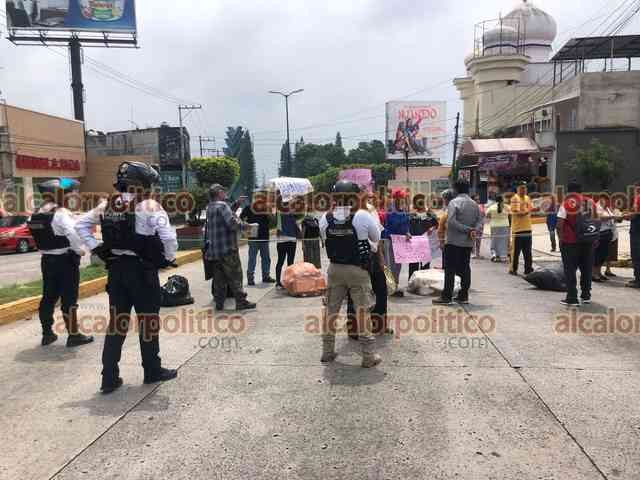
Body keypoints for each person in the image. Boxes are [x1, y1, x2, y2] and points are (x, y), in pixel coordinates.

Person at [75, 162, 179, 394]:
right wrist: (168, 258)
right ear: (142, 183)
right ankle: (152, 370)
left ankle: (109, 377)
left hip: (116, 271)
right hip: (142, 272)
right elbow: (169, 238)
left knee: (117, 324)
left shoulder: (107, 205)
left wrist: (97, 248)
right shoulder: (150, 206)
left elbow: (80, 224)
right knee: (148, 322)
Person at [320, 180, 382, 368]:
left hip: (334, 270)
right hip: (358, 270)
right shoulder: (362, 216)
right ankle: (368, 356)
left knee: (331, 311)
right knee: (363, 312)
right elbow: (376, 238)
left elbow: (325, 239)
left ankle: (327, 352)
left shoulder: (325, 218)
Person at [27, 178, 94, 348]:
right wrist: (79, 250)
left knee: (48, 297)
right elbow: (73, 233)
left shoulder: (35, 214)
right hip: (65, 261)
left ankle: (47, 334)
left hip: (47, 261)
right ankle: (74, 335)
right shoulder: (60, 213)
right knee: (69, 299)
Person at [204, 184, 257, 311]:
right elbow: (232, 223)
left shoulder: (210, 207)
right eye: (223, 191)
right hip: (228, 249)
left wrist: (236, 204)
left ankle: (219, 303)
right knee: (235, 276)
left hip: (215, 251)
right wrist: (245, 226)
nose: (225, 193)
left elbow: (225, 215)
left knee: (219, 279)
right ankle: (241, 302)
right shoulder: (223, 206)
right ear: (219, 193)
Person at [347, 194, 391, 339]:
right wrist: (381, 258)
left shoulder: (337, 213)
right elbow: (376, 238)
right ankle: (378, 326)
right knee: (379, 290)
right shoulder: (369, 210)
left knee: (354, 292)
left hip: (351, 257)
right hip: (369, 256)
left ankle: (354, 329)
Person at [433, 180, 482, 305]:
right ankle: (463, 295)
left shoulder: (454, 202)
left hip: (453, 242)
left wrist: (467, 229)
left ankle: (447, 297)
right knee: (465, 268)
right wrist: (473, 230)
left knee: (450, 269)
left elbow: (451, 222)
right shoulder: (474, 204)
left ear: (455, 190)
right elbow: (480, 221)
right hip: (467, 242)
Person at [557, 181, 600, 306]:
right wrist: (595, 238)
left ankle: (572, 298)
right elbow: (597, 221)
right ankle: (586, 295)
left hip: (570, 242)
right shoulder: (591, 202)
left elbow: (559, 224)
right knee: (586, 268)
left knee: (570, 269)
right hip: (589, 241)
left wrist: (561, 239)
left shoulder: (567, 203)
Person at [240, 192, 275, 286]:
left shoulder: (266, 208)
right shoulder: (248, 208)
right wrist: (245, 224)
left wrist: (269, 213)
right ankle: (250, 278)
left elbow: (273, 221)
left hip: (264, 237)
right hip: (253, 237)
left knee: (266, 258)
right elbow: (240, 218)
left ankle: (266, 276)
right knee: (252, 258)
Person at [383, 189, 411, 297]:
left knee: (398, 265)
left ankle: (395, 285)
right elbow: (394, 225)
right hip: (390, 240)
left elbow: (406, 224)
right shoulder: (391, 211)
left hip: (400, 242)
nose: (403, 200)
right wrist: (403, 232)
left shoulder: (403, 210)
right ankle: (390, 287)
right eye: (401, 198)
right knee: (390, 264)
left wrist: (407, 232)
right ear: (396, 199)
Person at [408, 203, 438, 279]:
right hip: (414, 242)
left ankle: (423, 282)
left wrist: (432, 228)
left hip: (426, 243)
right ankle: (412, 282)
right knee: (413, 265)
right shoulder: (412, 215)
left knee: (425, 266)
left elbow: (436, 224)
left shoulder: (430, 215)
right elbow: (407, 225)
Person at [509, 182, 533, 276]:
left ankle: (528, 269)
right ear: (518, 189)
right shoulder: (515, 198)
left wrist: (532, 209)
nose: (524, 190)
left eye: (525, 188)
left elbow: (530, 209)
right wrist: (527, 210)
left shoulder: (527, 198)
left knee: (528, 251)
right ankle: (513, 269)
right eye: (522, 188)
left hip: (527, 228)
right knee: (515, 252)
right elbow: (518, 213)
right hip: (517, 230)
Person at [593, 194, 618, 283]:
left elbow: (612, 219)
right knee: (598, 255)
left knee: (603, 255)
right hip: (601, 233)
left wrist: (617, 217)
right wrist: (612, 217)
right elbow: (600, 217)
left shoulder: (606, 208)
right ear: (601, 199)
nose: (608, 202)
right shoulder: (597, 207)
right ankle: (594, 274)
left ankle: (599, 273)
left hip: (608, 233)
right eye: (606, 200)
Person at [275, 204, 300, 287]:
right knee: (290, 262)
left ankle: (278, 282)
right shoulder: (291, 213)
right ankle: (289, 281)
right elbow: (295, 226)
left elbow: (278, 225)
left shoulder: (279, 213)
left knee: (280, 261)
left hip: (282, 240)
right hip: (291, 240)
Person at [485, 195, 510, 263]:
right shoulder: (507, 207)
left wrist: (493, 217)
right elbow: (511, 213)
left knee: (494, 240)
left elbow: (487, 215)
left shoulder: (491, 207)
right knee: (503, 241)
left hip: (494, 225)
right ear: (502, 200)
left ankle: (495, 255)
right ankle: (503, 256)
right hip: (504, 225)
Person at [625, 183, 640, 288]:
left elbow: (636, 214)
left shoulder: (638, 198)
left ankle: (638, 280)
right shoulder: (636, 198)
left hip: (637, 230)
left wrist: (626, 216)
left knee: (636, 255)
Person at [437, 189, 457, 269]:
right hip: (457, 241)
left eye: (443, 199)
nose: (443, 201)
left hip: (448, 242)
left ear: (446, 199)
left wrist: (441, 242)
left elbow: (441, 229)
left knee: (448, 266)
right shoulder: (456, 209)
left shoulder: (447, 212)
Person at [471, 194, 486, 259]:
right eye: (476, 199)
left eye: (478, 199)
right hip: (473, 225)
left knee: (479, 240)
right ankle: (473, 253)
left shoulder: (481, 206)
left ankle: (477, 253)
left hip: (480, 225)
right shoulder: (470, 207)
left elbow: (484, 215)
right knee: (473, 239)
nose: (478, 201)